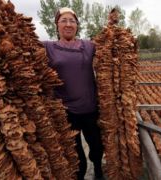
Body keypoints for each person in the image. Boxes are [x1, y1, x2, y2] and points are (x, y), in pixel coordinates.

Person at [43, 7, 104, 180]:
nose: (68, 24)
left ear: (77, 25)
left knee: (97, 147)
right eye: (64, 20)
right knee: (76, 156)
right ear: (57, 25)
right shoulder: (48, 47)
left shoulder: (88, 46)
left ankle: (99, 170)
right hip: (67, 113)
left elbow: (108, 47)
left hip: (90, 108)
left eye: (72, 21)